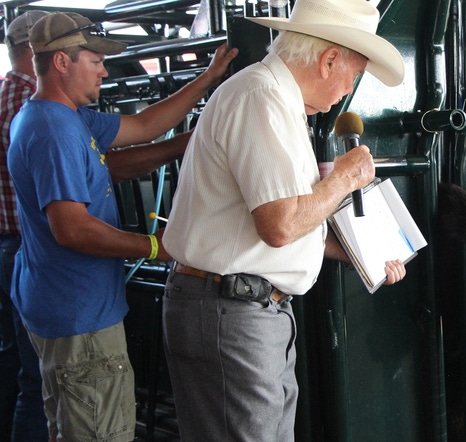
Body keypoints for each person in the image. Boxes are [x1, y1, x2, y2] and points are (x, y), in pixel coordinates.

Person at [160, 0, 407, 439]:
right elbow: (280, 225)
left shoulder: (276, 101)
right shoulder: (260, 96)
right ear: (329, 59)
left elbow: (286, 223)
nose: (347, 90)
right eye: (352, 75)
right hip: (230, 312)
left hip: (246, 310)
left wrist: (360, 253)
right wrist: (344, 179)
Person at [7, 11, 237, 442]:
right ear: (61, 62)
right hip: (80, 317)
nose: (105, 70)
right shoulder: (54, 130)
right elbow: (72, 229)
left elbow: (145, 126)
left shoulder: (60, 117)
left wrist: (206, 88)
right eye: (95, 60)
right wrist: (157, 246)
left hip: (60, 303)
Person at [0, 10, 49, 442]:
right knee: (38, 379)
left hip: (9, 246)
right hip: (27, 248)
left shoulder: (2, 93)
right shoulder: (29, 103)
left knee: (22, 369)